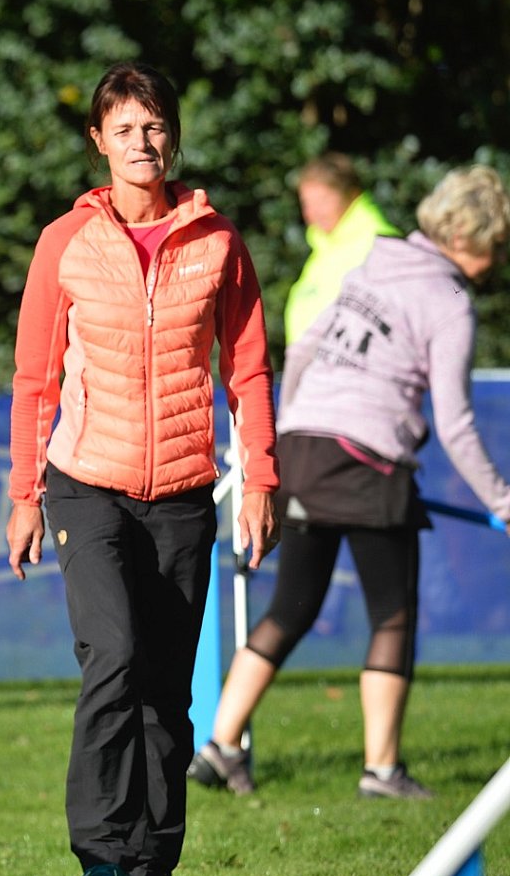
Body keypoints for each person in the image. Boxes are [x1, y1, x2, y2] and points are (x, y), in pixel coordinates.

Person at [6, 61, 280, 876]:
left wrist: (261, 478)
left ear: (174, 136)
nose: (142, 142)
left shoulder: (218, 240)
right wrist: (24, 494)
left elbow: (247, 368)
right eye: (124, 128)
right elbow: (35, 380)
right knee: (114, 655)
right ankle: (99, 857)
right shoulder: (65, 241)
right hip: (86, 483)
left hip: (185, 492)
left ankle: (153, 869)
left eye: (154, 125)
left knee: (166, 683)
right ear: (99, 140)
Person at [190, 165, 510, 801]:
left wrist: (290, 433)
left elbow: (306, 350)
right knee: (392, 615)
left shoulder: (372, 265)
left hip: (305, 447)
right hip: (368, 462)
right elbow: (455, 422)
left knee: (290, 608)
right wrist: (503, 500)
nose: (498, 259)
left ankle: (221, 747)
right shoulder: (449, 299)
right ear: (469, 237)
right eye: (498, 244)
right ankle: (382, 771)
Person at [283, 153, 400, 345]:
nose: (313, 212)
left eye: (323, 200)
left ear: (352, 195)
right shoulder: (322, 249)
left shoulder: (381, 245)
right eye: (306, 203)